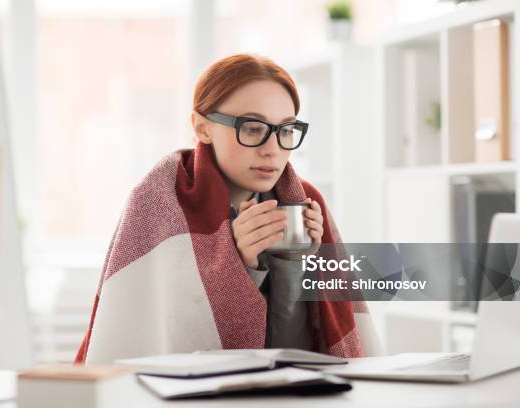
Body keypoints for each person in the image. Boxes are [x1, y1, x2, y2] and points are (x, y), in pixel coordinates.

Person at [75, 54, 378, 364]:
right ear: (202, 127)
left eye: (286, 130)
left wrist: (293, 259)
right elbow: (174, 350)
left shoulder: (305, 202)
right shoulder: (158, 204)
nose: (272, 149)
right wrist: (239, 266)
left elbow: (295, 355)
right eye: (251, 128)